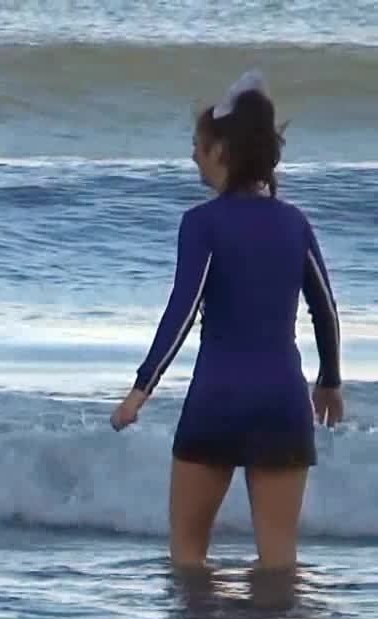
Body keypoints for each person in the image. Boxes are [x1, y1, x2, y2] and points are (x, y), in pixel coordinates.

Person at [109, 70, 344, 572]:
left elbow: (183, 309)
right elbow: (325, 309)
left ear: (221, 151)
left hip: (218, 400)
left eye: (198, 143)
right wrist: (330, 380)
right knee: (279, 562)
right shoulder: (294, 222)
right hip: (282, 402)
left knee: (188, 556)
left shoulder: (203, 223)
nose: (193, 153)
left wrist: (140, 391)